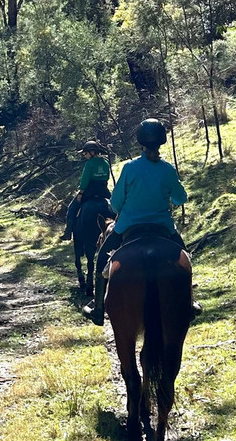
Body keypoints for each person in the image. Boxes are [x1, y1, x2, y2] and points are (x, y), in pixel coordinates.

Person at [81, 118, 202, 325]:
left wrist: (126, 208)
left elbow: (116, 204)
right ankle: (189, 302)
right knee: (185, 260)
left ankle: (98, 307)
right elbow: (181, 198)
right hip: (163, 227)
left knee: (102, 259)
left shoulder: (129, 168)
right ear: (162, 142)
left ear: (141, 142)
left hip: (128, 227)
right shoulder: (167, 169)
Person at [59, 141, 112, 241]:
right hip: (103, 191)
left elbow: (85, 180)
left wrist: (81, 192)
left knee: (72, 208)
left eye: (86, 153)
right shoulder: (105, 163)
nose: (84, 155)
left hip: (90, 191)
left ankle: (68, 232)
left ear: (92, 152)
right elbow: (107, 177)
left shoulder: (89, 164)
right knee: (116, 206)